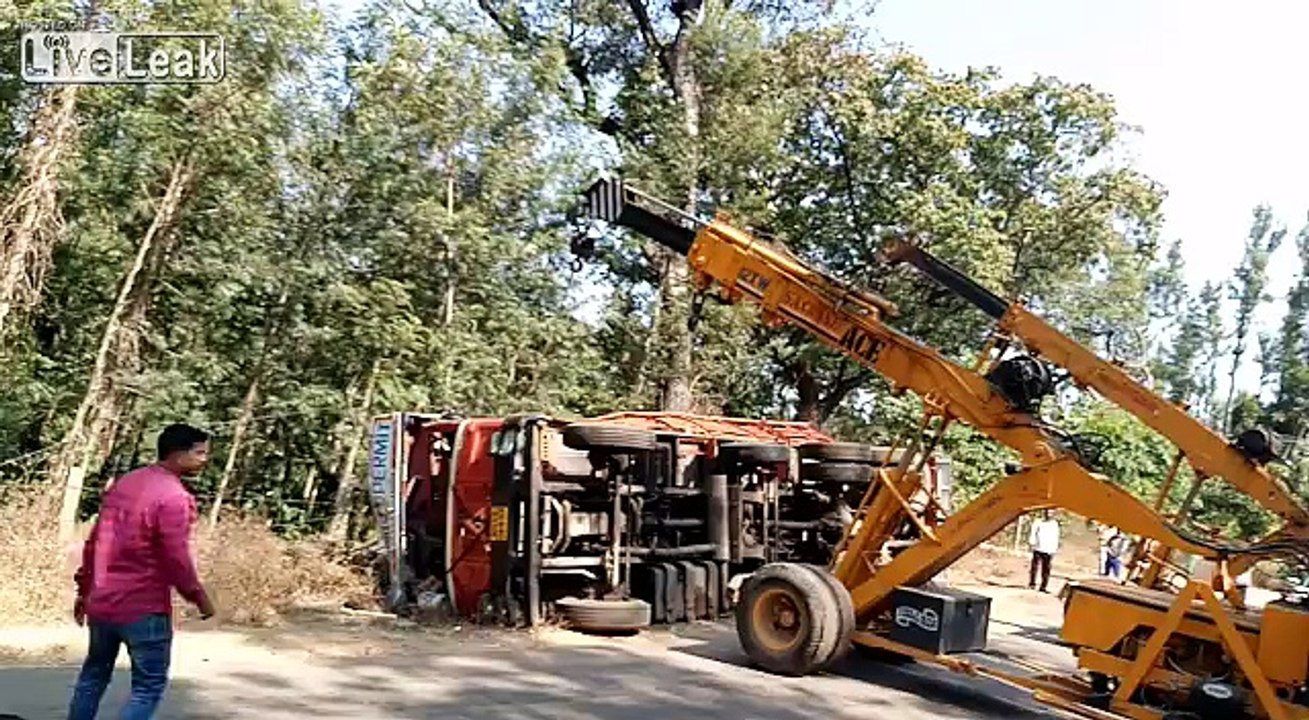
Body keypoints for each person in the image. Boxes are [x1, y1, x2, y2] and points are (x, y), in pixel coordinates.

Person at [67, 423, 217, 720]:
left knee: (93, 677)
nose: (204, 460)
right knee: (148, 687)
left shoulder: (126, 483)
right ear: (177, 454)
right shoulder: (175, 497)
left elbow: (95, 541)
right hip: (143, 608)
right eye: (200, 453)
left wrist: (84, 592)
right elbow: (177, 558)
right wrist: (199, 597)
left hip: (102, 601)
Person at [1027, 509, 1060, 593]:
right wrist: (1032, 543)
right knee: (1034, 567)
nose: (1049, 514)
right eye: (1047, 512)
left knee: (1046, 569)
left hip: (1048, 549)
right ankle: (1032, 583)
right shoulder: (1038, 522)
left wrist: (1054, 549)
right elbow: (1033, 533)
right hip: (1038, 548)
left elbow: (1055, 537)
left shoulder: (1054, 524)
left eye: (1051, 512)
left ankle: (1043, 586)